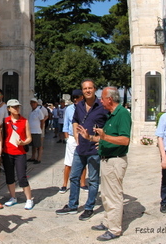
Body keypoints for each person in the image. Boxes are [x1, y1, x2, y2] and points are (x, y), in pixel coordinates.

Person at [80, 87, 131, 241]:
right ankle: (109, 221)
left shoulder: (122, 114)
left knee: (114, 195)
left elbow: (125, 139)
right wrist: (89, 137)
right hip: (107, 160)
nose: (100, 101)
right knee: (107, 195)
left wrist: (105, 136)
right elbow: (104, 138)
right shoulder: (111, 115)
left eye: (102, 98)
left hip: (115, 160)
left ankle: (115, 229)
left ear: (110, 99)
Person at [55, 79, 108, 221]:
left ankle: (89, 207)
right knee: (74, 176)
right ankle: (72, 205)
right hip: (81, 147)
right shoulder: (79, 106)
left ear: (95, 89)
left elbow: (109, 125)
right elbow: (75, 120)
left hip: (95, 149)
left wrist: (102, 139)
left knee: (93, 180)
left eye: (90, 88)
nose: (87, 90)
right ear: (82, 90)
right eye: (85, 88)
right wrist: (76, 135)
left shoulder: (102, 106)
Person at [2, 99, 34, 210]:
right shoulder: (5, 121)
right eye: (14, 107)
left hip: (20, 153)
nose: (16, 109)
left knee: (22, 176)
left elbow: (29, 137)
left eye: (17, 106)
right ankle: (13, 197)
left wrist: (24, 142)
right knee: (9, 176)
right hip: (7, 152)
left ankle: (29, 199)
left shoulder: (24, 121)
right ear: (9, 108)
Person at [59, 90, 87, 194]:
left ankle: (83, 183)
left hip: (83, 137)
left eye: (77, 97)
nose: (75, 99)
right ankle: (64, 184)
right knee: (68, 162)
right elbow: (66, 124)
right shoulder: (69, 109)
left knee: (83, 161)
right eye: (73, 97)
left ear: (82, 97)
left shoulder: (86, 108)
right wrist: (67, 138)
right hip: (71, 137)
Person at [27, 98, 45, 164]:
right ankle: (33, 157)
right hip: (31, 131)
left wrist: (40, 128)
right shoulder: (31, 111)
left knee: (38, 145)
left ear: (37, 104)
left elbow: (42, 120)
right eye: (32, 103)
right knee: (33, 146)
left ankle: (39, 158)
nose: (33, 104)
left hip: (37, 131)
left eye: (34, 103)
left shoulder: (39, 111)